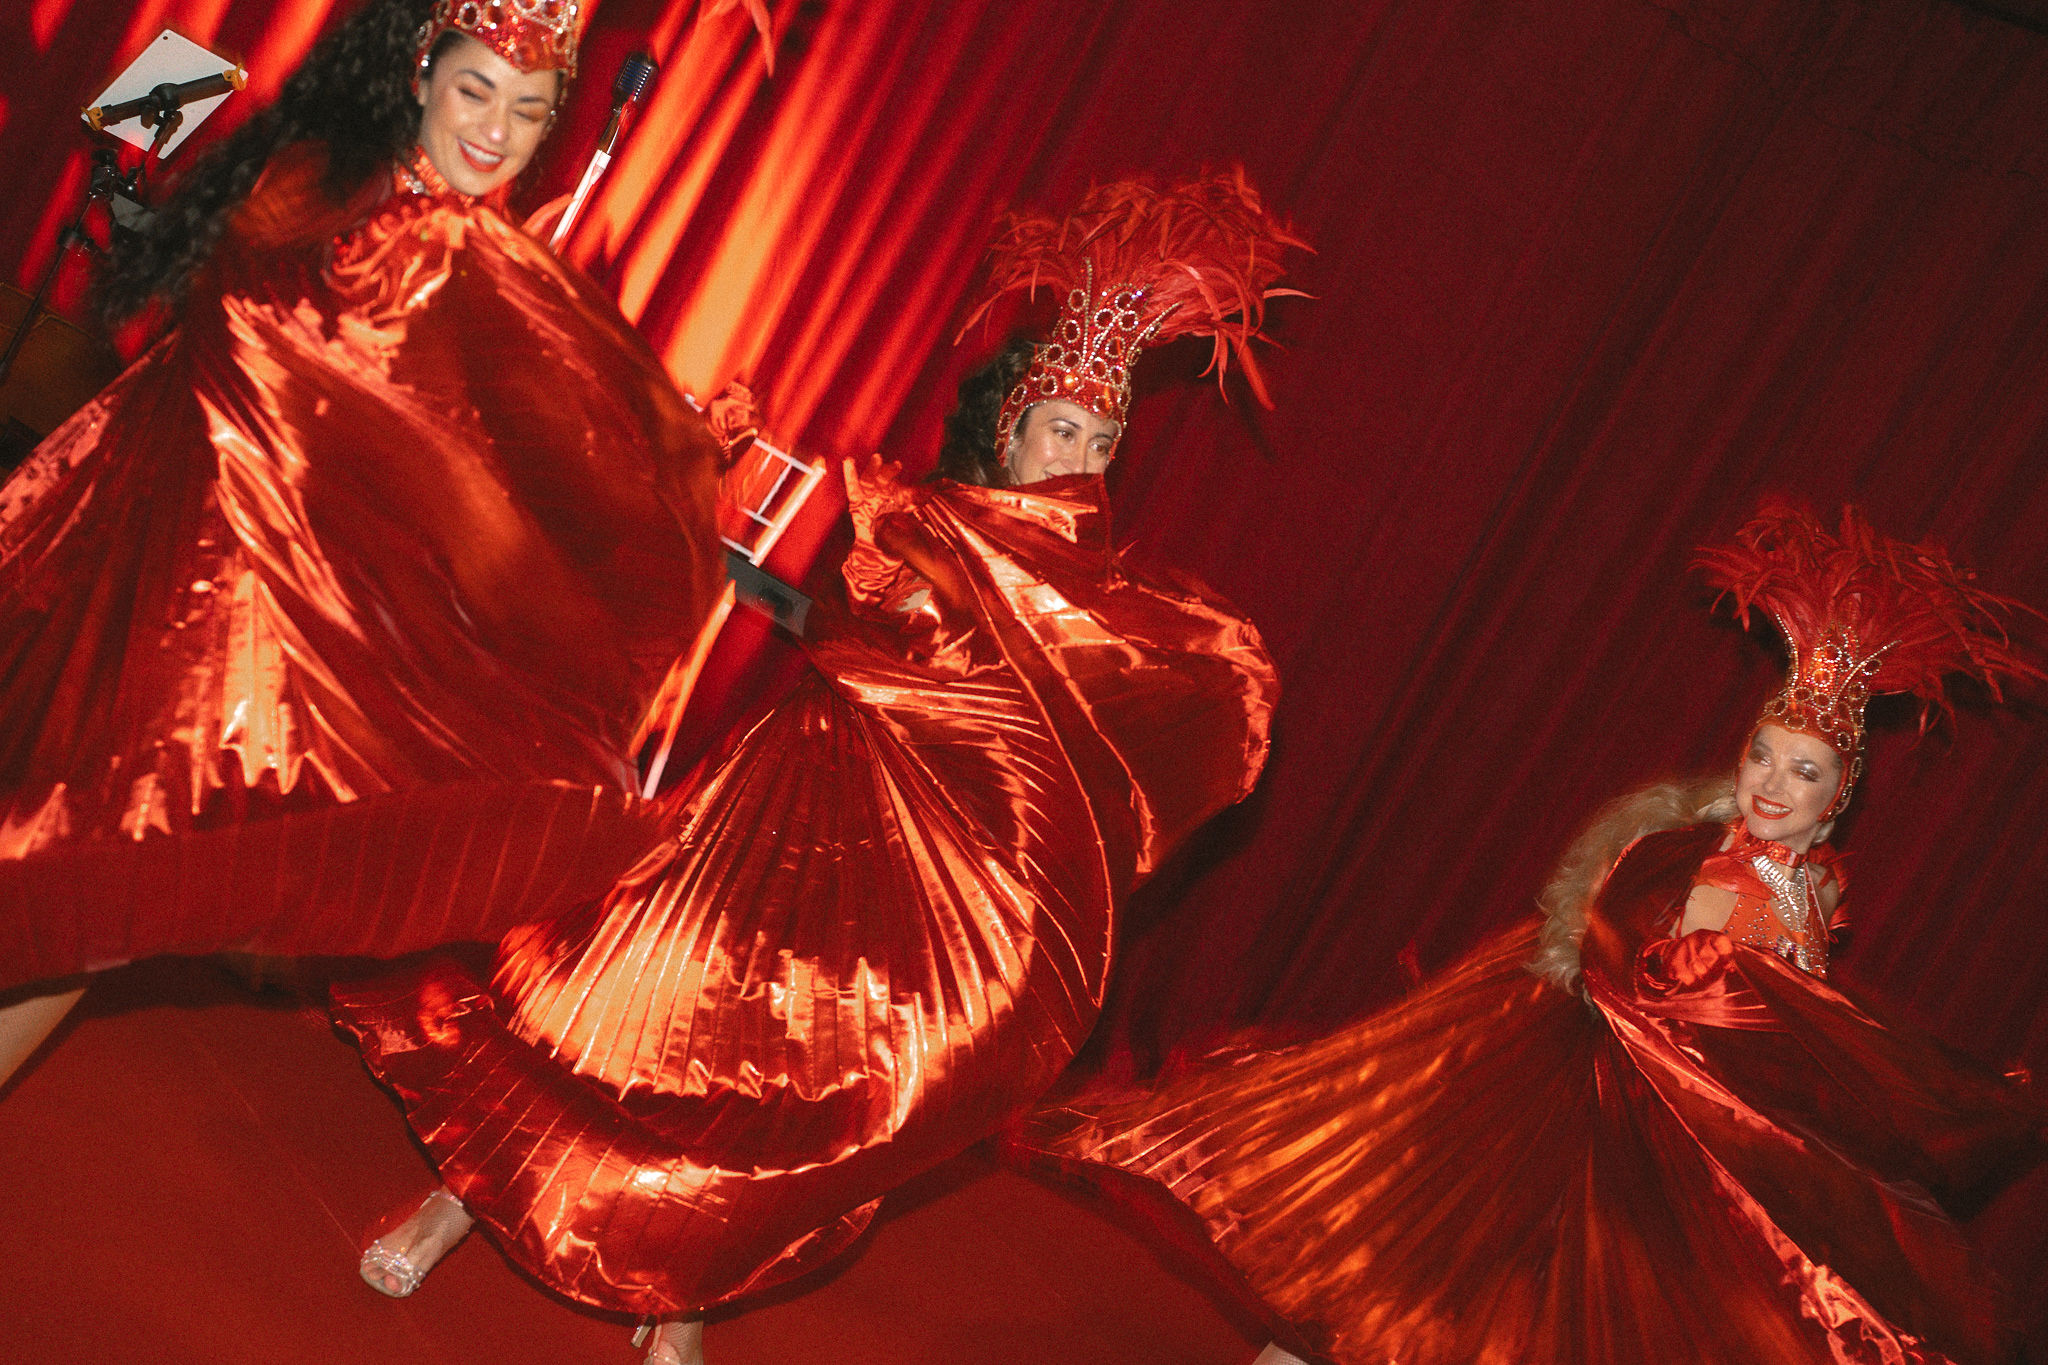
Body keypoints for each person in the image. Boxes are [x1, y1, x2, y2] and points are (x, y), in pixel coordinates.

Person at [331, 174, 1301, 1364]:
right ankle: (454, 1203)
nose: (1078, 464)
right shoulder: (924, 523)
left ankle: (676, 1293)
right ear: (1010, 429)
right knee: (615, 1021)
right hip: (786, 815)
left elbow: (1093, 731)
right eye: (1062, 432)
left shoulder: (1094, 605)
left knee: (807, 1095)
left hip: (913, 889)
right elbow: (856, 623)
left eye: (1102, 445)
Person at [1017, 504, 2048, 1365]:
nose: (1773, 784)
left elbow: (1784, 1038)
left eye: (1803, 771)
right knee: (1420, 1266)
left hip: (1684, 1144)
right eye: (1762, 757)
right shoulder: (1705, 864)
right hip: (1580, 1100)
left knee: (1490, 1305)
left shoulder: (1811, 887)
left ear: (1839, 794)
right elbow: (1657, 981)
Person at [0, 0, 730, 1083]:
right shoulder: (327, 181)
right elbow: (258, 335)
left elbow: (473, 456)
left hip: (245, 625)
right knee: (69, 869)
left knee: (89, 894)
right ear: (423, 75)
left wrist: (653, 467)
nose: (495, 129)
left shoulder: (477, 257)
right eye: (477, 91)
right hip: (164, 560)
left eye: (528, 111)